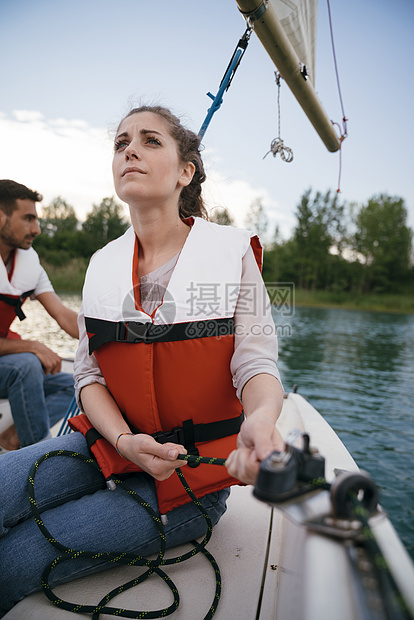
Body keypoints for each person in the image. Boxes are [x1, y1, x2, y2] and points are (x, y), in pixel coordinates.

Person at [0, 105, 285, 616]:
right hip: (108, 446)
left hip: (189, 481)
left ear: (185, 172)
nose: (129, 149)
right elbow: (88, 375)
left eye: (151, 140)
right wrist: (126, 442)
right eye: (121, 143)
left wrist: (261, 419)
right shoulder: (102, 264)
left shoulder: (232, 253)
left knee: (12, 559)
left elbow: (257, 366)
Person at [0, 180, 79, 452]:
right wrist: (33, 346)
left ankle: (13, 440)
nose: (37, 229)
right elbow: (26, 355)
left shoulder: (28, 264)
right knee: (26, 365)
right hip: (12, 365)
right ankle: (40, 459)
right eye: (28, 218)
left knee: (78, 385)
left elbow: (65, 317)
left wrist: (115, 332)